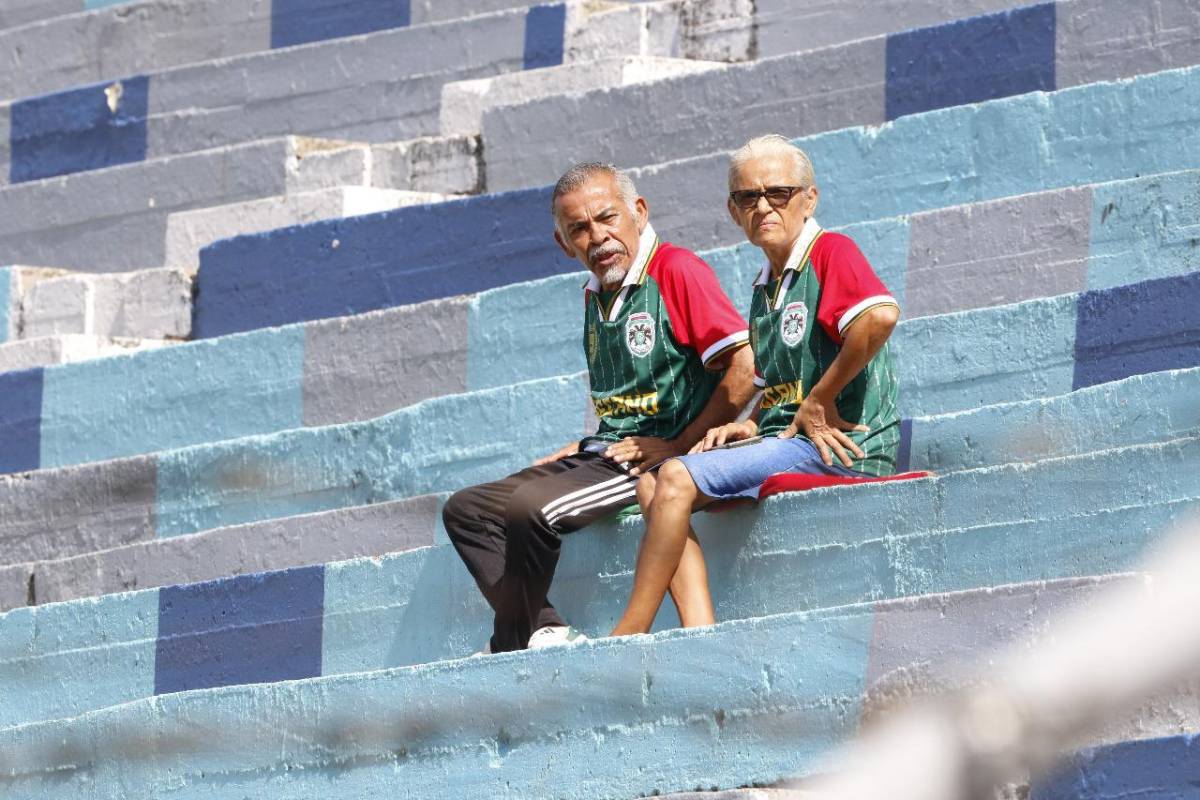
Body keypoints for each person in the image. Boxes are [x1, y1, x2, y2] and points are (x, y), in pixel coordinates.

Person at [443, 162, 756, 654]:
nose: (598, 237)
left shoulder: (674, 271)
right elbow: (630, 398)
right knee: (466, 509)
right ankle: (543, 629)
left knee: (532, 510)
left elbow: (744, 366)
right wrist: (586, 443)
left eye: (606, 218)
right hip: (606, 451)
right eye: (579, 229)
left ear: (638, 211)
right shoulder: (597, 293)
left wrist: (679, 444)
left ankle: (510, 644)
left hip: (646, 462)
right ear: (562, 243)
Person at [610, 135, 902, 637]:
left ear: (809, 199)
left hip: (844, 447)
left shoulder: (830, 251)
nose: (763, 206)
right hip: (793, 442)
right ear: (732, 211)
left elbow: (877, 318)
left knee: (676, 476)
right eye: (748, 197)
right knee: (650, 482)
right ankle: (698, 633)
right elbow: (780, 389)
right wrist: (751, 426)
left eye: (779, 193)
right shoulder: (766, 285)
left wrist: (819, 399)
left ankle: (630, 630)